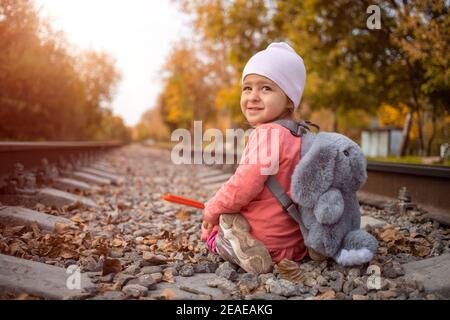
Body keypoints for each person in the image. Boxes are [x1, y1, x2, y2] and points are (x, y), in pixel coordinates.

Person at [201, 42, 312, 274]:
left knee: (211, 233)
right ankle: (242, 241)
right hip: (296, 243)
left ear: (290, 98)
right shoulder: (302, 135)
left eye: (266, 89)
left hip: (265, 239)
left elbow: (243, 185)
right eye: (247, 88)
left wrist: (212, 209)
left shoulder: (267, 134)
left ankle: (235, 245)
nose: (253, 97)